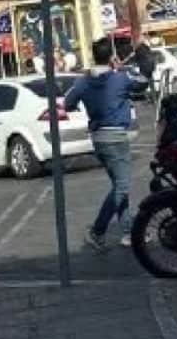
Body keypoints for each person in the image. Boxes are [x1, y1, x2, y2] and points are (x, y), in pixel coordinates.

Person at [65, 35, 153, 252]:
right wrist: (123, 68)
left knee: (118, 186)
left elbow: (67, 104)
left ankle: (129, 232)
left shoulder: (83, 81)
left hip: (98, 139)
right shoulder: (119, 79)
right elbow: (143, 82)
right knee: (122, 186)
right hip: (116, 138)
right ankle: (97, 231)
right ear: (111, 57)